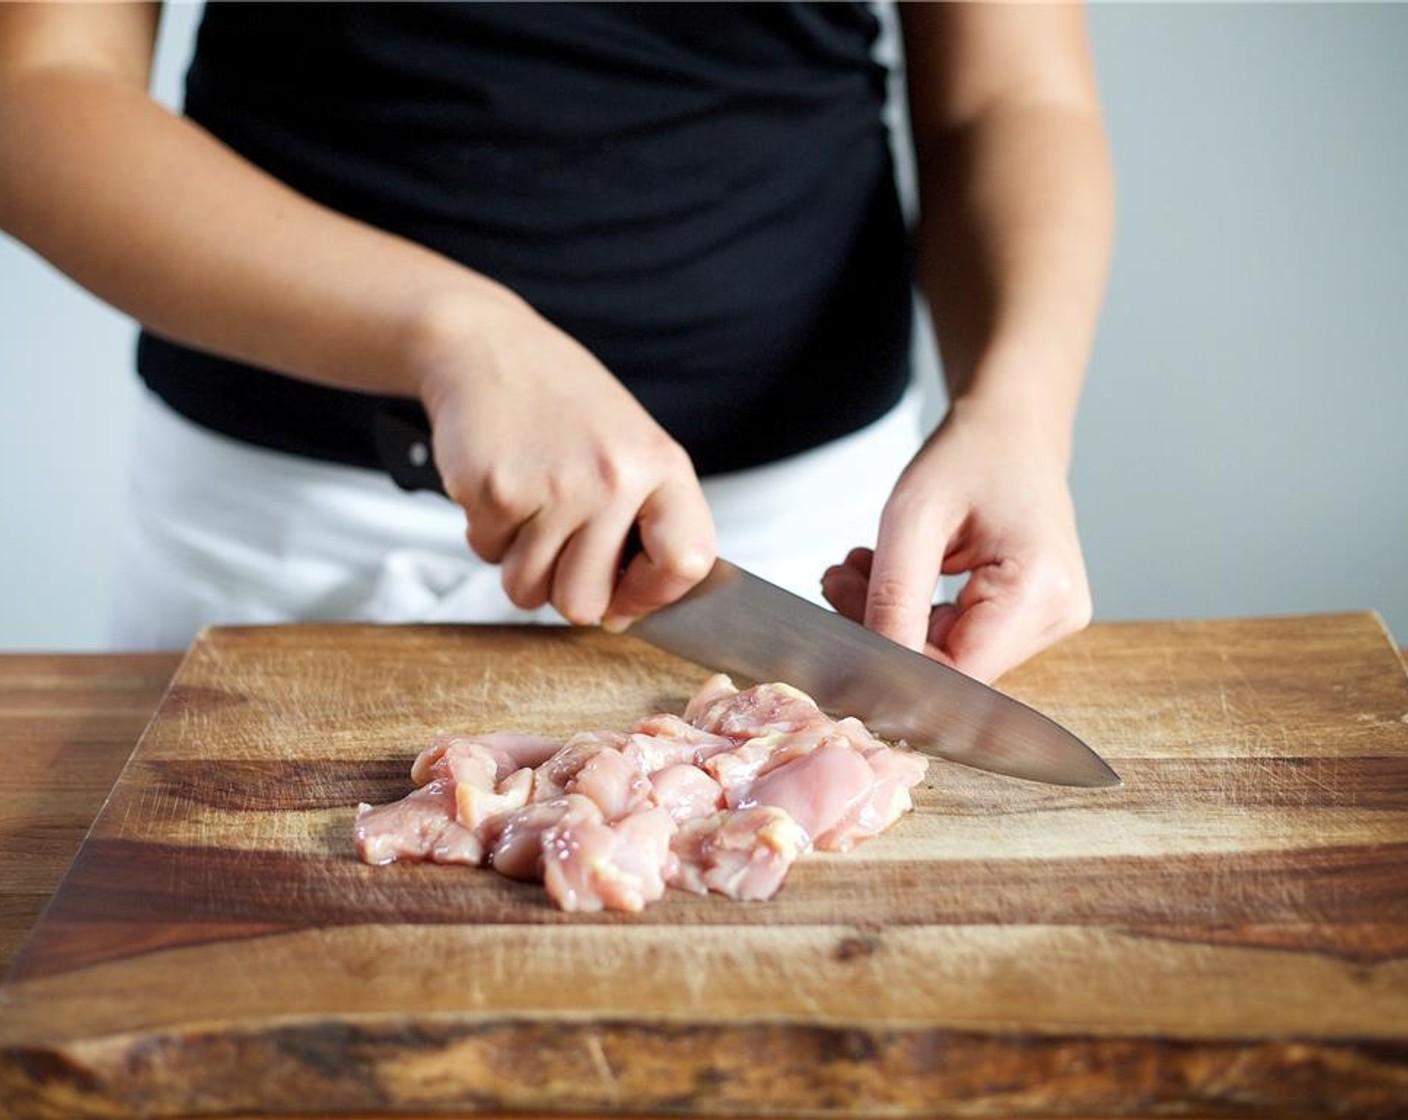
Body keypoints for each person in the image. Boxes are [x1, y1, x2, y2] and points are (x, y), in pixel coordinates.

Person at [0, 2, 1112, 683]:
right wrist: (454, 333)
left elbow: (1010, 95)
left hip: (800, 557)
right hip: (281, 538)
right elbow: (37, 85)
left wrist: (1013, 411)